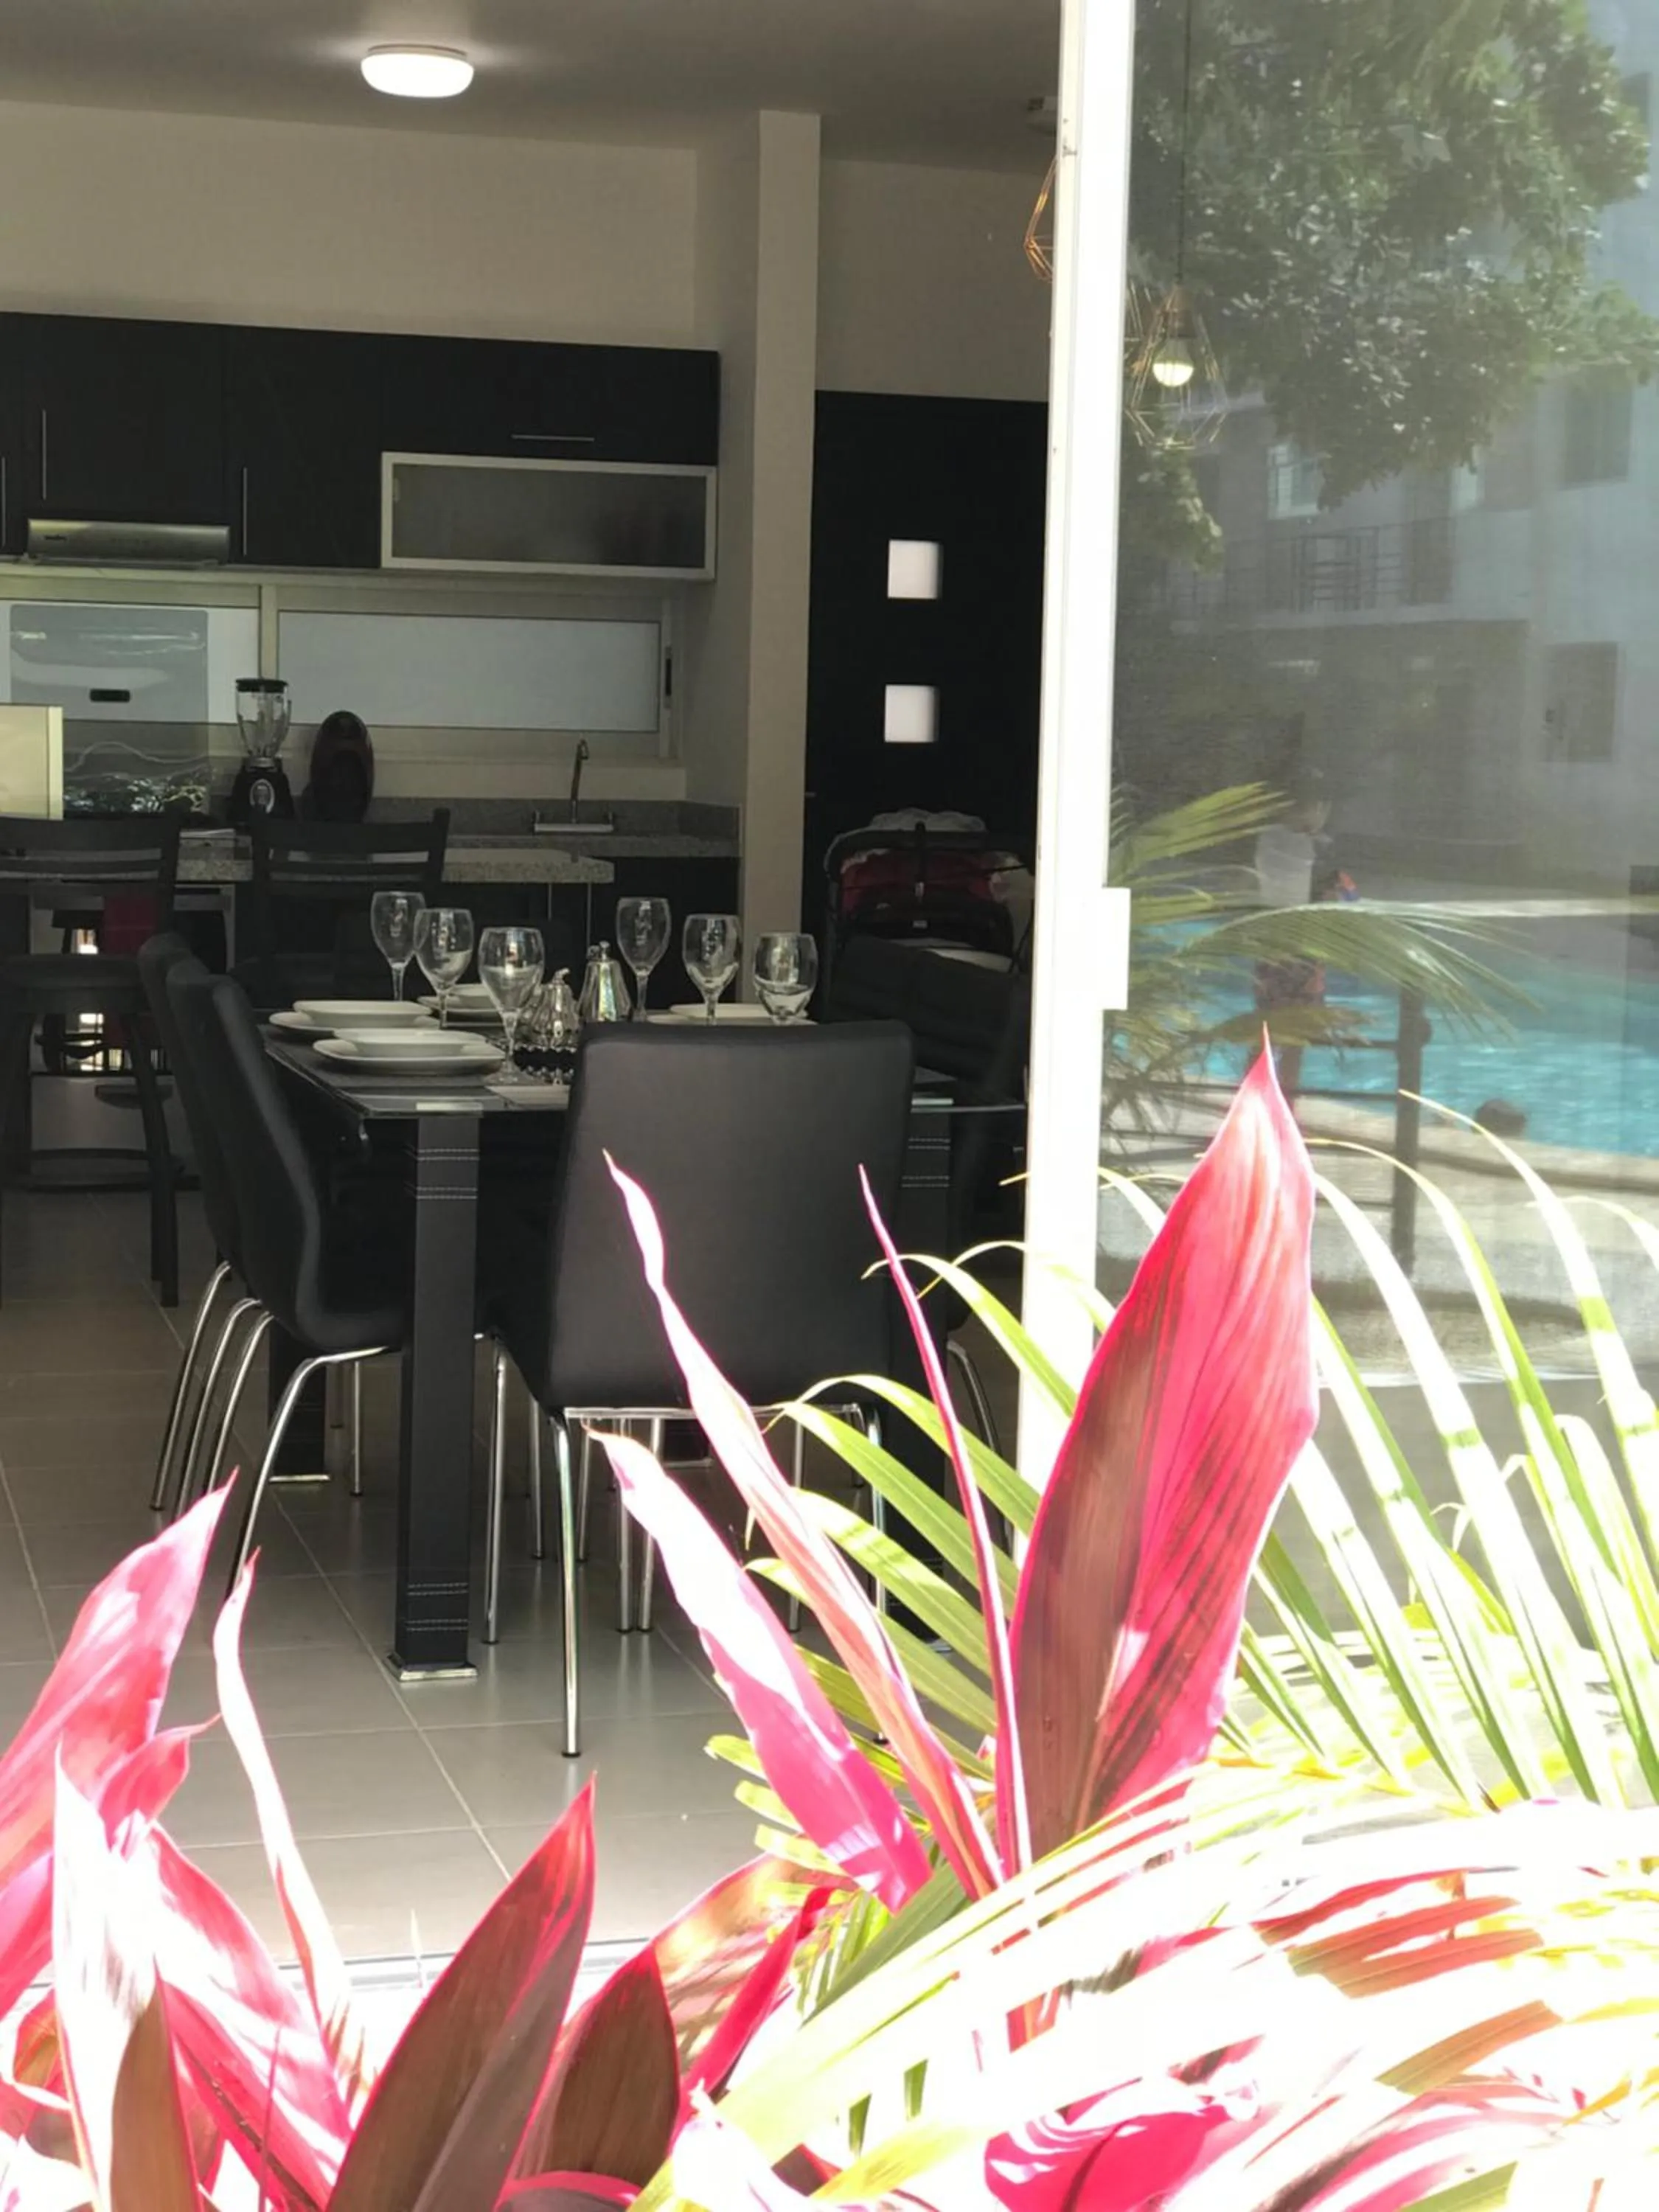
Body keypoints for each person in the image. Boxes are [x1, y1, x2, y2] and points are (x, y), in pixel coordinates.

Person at [1252, 783, 1354, 1100]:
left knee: (1264, 1029)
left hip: (1268, 949)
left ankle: (1252, 1105)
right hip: (1304, 954)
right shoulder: (1320, 849)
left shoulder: (1267, 840)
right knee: (1295, 1036)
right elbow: (1350, 895)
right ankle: (1286, 1109)